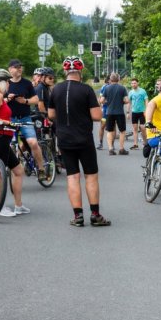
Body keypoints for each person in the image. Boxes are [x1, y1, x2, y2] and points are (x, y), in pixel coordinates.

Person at [48, 56, 111, 227]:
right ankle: (95, 215)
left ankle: (78, 216)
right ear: (80, 71)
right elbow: (97, 116)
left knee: (72, 176)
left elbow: (51, 115)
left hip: (64, 138)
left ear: (65, 71)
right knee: (90, 176)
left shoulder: (56, 90)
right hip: (83, 138)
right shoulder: (86, 90)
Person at [0, 68, 29, 218]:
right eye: (8, 82)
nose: (9, 84)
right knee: (0, 173)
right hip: (0, 136)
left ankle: (18, 205)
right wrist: (7, 122)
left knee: (18, 171)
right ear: (2, 83)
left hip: (4, 136)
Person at [6, 59, 46, 180]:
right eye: (16, 67)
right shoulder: (6, 84)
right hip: (10, 119)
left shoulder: (27, 83)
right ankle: (10, 170)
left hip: (25, 118)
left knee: (33, 143)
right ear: (10, 69)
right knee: (10, 145)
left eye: (20, 67)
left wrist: (25, 101)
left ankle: (41, 169)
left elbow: (36, 99)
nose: (19, 69)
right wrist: (8, 99)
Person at [100, 72, 130, 155]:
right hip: (119, 112)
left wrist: (108, 102)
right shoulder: (122, 88)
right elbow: (127, 100)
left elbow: (101, 101)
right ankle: (121, 149)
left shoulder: (106, 88)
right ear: (119, 79)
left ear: (110, 79)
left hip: (109, 112)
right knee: (122, 131)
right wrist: (121, 101)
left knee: (109, 130)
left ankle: (110, 149)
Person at [127, 78, 148, 150]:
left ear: (137, 83)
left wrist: (146, 110)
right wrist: (127, 112)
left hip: (142, 112)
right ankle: (135, 144)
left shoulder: (142, 91)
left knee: (142, 128)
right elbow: (129, 102)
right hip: (134, 112)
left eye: (134, 83)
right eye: (132, 83)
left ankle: (145, 142)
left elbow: (146, 100)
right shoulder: (131, 92)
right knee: (135, 128)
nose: (133, 84)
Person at [97, 76, 110, 150]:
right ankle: (100, 143)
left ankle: (111, 145)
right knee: (102, 126)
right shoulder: (104, 87)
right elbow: (100, 99)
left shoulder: (117, 86)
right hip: (105, 110)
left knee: (112, 127)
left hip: (113, 110)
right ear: (108, 80)